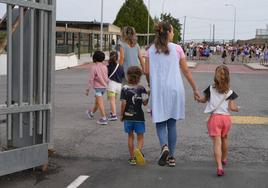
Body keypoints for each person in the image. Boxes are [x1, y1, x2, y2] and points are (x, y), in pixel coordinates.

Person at [145, 21, 201, 167]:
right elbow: (186, 71)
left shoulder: (150, 50)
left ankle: (164, 146)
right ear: (169, 32)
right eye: (173, 31)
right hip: (175, 89)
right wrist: (195, 89)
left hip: (159, 90)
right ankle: (171, 157)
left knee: (160, 121)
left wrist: (151, 84)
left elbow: (146, 71)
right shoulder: (177, 48)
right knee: (172, 124)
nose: (174, 33)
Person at [198, 65, 239, 176]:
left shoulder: (210, 89)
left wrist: (198, 98)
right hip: (226, 119)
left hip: (215, 118)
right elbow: (232, 108)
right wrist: (238, 109)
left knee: (217, 142)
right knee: (225, 138)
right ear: (227, 77)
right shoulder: (230, 92)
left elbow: (203, 100)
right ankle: (224, 158)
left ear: (215, 77)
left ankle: (219, 167)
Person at [120, 66, 149, 166]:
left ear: (128, 76)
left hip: (128, 117)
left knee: (130, 136)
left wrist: (121, 115)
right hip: (139, 117)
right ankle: (138, 150)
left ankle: (132, 157)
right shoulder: (141, 88)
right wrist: (148, 95)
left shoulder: (124, 89)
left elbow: (123, 103)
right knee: (140, 137)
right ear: (139, 77)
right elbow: (145, 103)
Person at [86, 51, 108, 125]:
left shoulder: (94, 67)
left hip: (98, 88)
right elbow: (106, 77)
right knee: (97, 103)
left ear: (94, 58)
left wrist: (88, 89)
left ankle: (104, 118)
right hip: (104, 87)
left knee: (100, 103)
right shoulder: (105, 67)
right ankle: (91, 113)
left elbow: (91, 79)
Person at [107, 51, 125, 121]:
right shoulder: (120, 67)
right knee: (114, 100)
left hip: (111, 85)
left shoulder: (108, 67)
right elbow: (123, 76)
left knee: (112, 100)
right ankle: (112, 112)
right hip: (119, 86)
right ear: (117, 58)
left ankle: (114, 115)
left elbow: (107, 76)